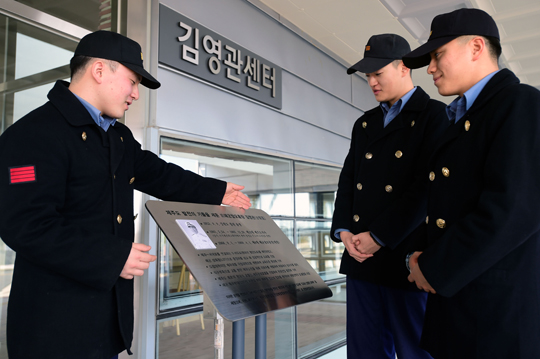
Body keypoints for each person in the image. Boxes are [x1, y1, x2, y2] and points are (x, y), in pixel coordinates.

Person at [0, 30, 251, 359]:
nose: (135, 94)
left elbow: (158, 173)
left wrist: (218, 191)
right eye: (132, 81)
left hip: (104, 321)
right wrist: (112, 256)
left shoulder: (115, 135)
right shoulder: (33, 134)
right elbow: (25, 225)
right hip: (54, 326)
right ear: (100, 71)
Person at [402, 8, 540, 358]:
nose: (430, 68)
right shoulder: (466, 118)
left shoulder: (521, 103)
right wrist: (417, 259)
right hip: (463, 305)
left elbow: (514, 209)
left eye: (438, 55)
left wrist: (431, 267)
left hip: (496, 316)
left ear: (477, 47)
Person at [330, 33, 447, 359]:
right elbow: (349, 179)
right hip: (361, 260)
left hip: (406, 258)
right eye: (368, 75)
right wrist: (344, 232)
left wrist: (380, 236)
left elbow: (427, 188)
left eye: (377, 73)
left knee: (415, 349)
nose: (371, 82)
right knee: (364, 350)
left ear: (403, 68)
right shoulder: (364, 124)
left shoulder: (436, 116)